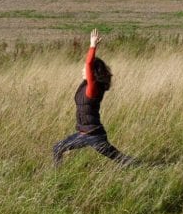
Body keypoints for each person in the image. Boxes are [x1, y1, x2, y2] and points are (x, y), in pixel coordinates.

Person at [53, 28, 140, 168]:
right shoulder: (87, 85)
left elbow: (88, 64)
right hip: (85, 133)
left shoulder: (92, 89)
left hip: (93, 136)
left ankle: (140, 166)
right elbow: (89, 66)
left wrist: (92, 46)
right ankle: (56, 175)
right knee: (58, 148)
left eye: (85, 70)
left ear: (92, 73)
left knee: (122, 160)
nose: (82, 70)